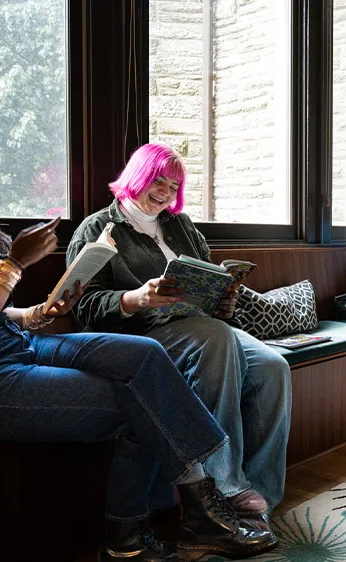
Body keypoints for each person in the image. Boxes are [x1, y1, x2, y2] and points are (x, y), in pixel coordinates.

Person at [0, 117, 276, 561]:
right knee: (143, 402)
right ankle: (168, 525)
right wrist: (13, 267)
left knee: (146, 358)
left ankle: (185, 514)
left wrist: (41, 312)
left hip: (18, 346)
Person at [67, 144, 291, 525]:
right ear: (137, 175)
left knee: (273, 366)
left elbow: (206, 286)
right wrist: (136, 298)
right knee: (216, 340)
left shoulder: (181, 226)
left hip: (204, 327)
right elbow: (83, 306)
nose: (166, 193)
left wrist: (224, 299)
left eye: (174, 187)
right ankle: (225, 487)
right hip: (145, 333)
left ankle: (262, 498)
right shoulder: (98, 229)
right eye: (159, 181)